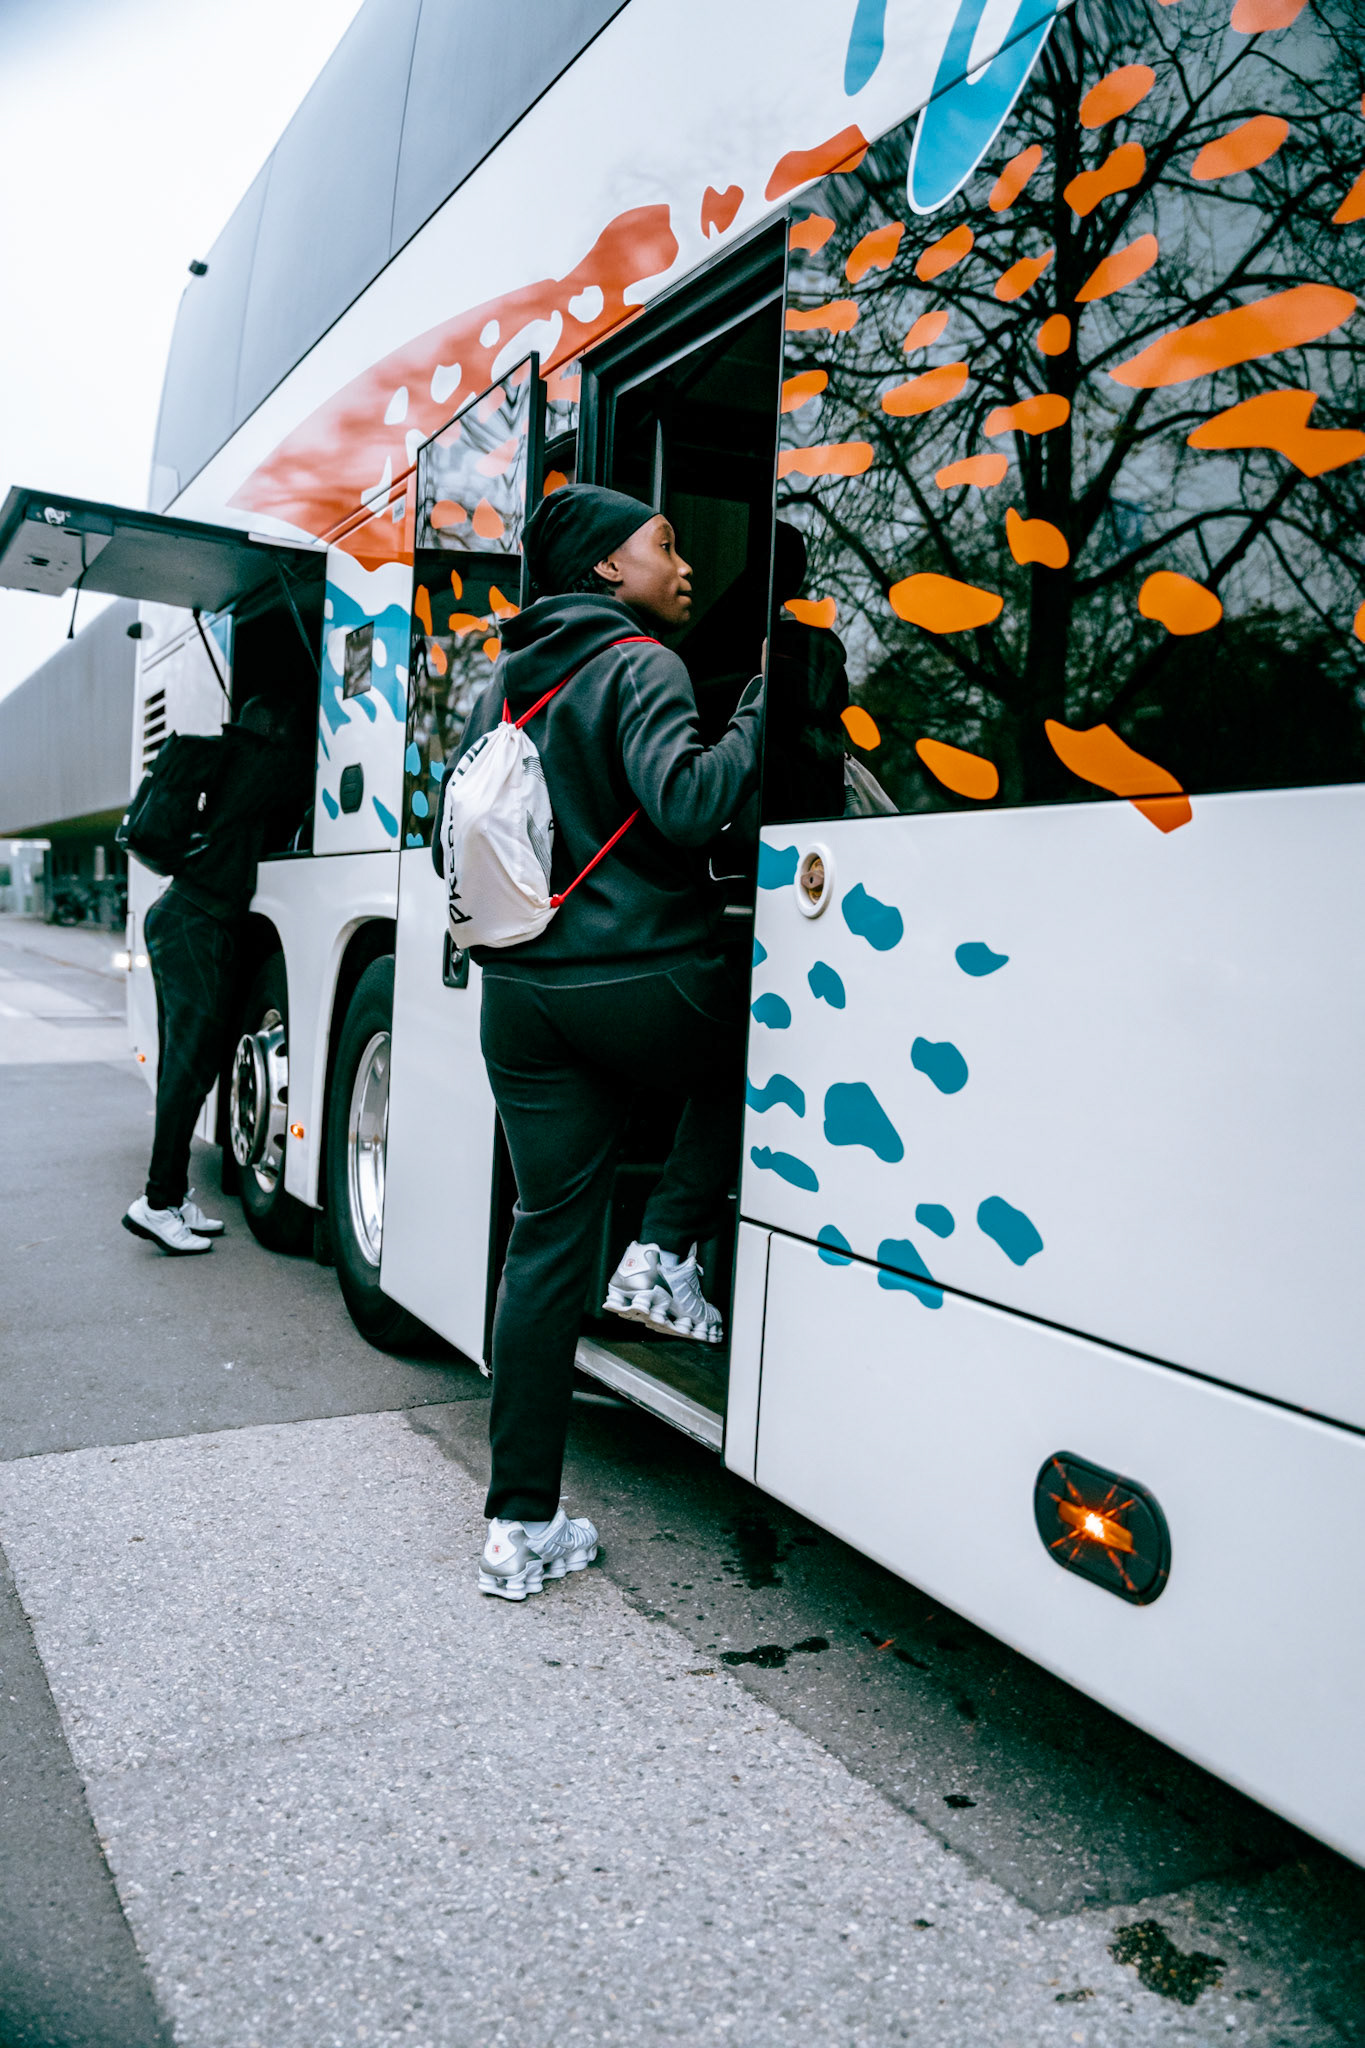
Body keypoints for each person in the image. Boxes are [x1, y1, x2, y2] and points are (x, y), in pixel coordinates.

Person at [458, 483, 762, 1600]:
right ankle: (667, 1249)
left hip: (523, 999)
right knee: (771, 1047)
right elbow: (688, 805)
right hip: (635, 981)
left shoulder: (513, 677)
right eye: (665, 545)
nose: (684, 564)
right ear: (603, 567)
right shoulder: (645, 663)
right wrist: (762, 716)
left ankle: (519, 1525)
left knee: (543, 1245)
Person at [122, 696, 308, 1256]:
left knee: (193, 1067)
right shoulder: (263, 764)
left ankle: (171, 1198)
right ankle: (156, 1203)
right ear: (273, 727)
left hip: (184, 919)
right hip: (191, 923)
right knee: (187, 1068)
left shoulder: (232, 760)